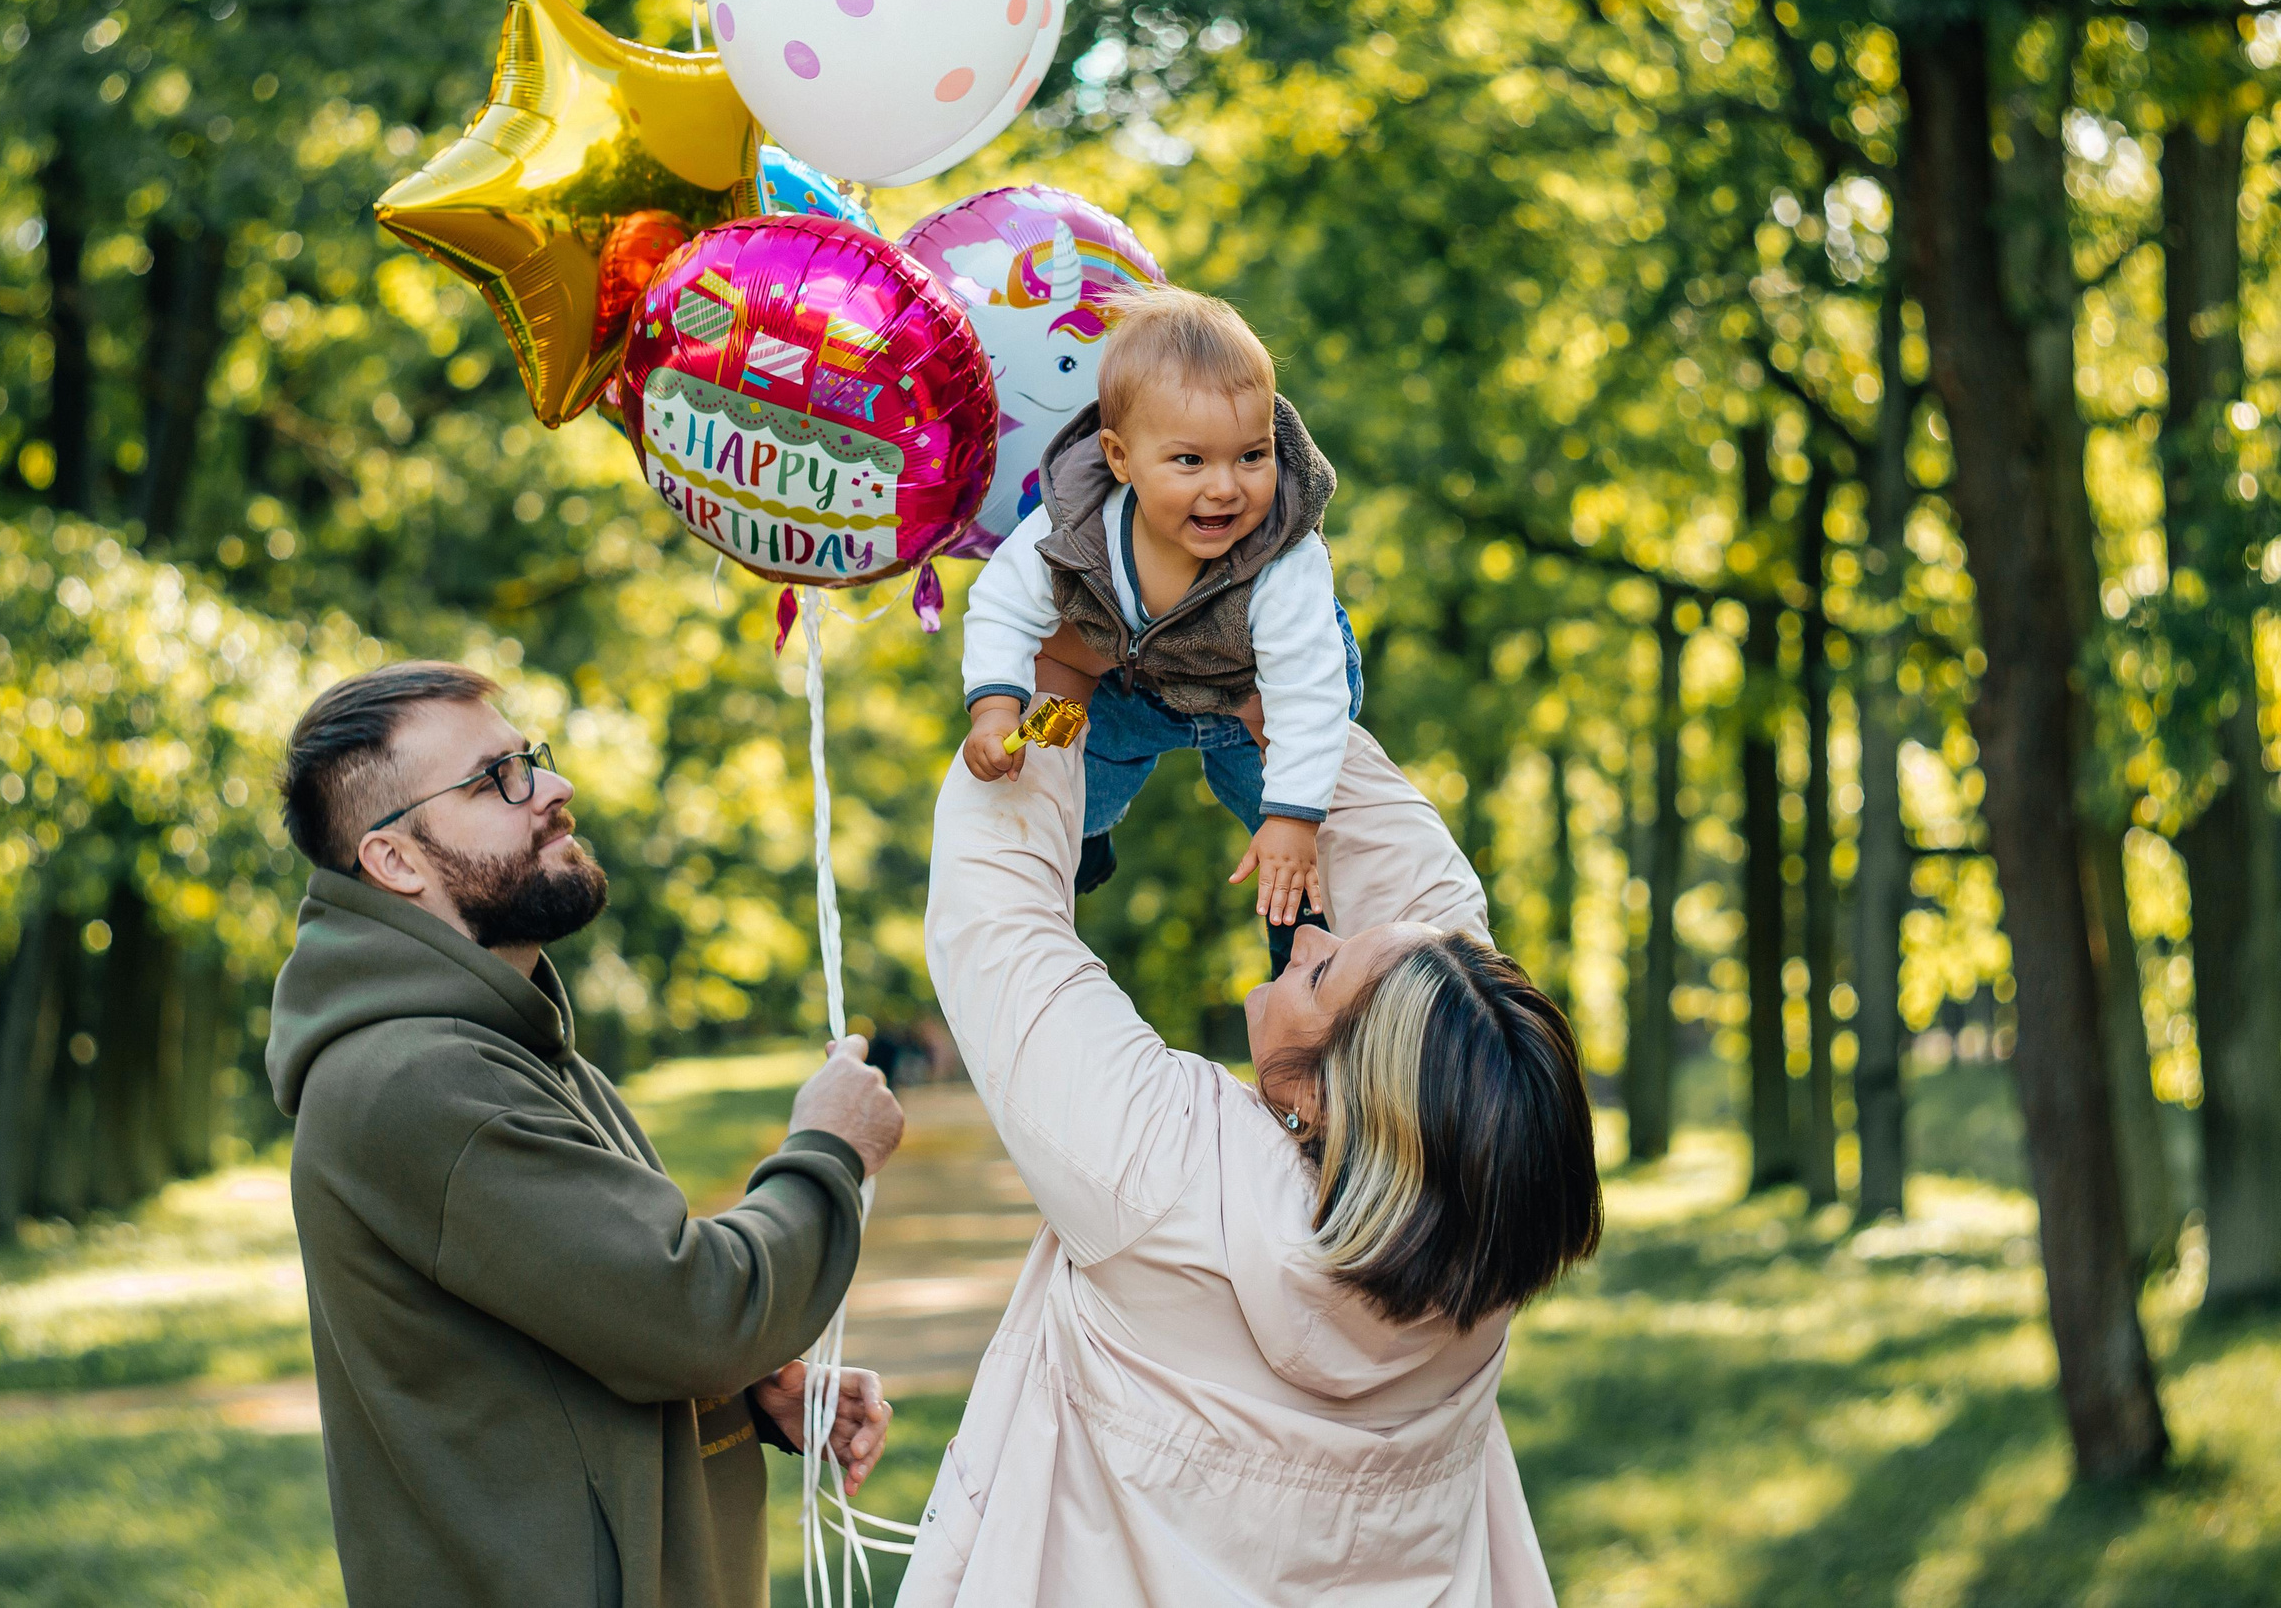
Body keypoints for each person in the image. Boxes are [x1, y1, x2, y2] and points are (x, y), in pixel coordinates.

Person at [901, 721, 1603, 1607]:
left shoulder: (1170, 1177)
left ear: (1320, 1102)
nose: (1305, 941)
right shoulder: (1487, 1214)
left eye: (1320, 974)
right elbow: (1428, 919)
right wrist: (1284, 692)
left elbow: (999, 924)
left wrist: (1050, 695)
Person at [262, 660, 906, 1608]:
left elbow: (604, 1328)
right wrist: (828, 1152)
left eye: (533, 759)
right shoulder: (422, 1081)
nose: (553, 789)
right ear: (394, 860)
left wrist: (738, 1397)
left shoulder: (512, 1052)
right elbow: (695, 1309)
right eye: (495, 779)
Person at [958, 285, 1362, 971]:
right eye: (1190, 461)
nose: (1225, 487)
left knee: (1297, 825)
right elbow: (1002, 600)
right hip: (1130, 688)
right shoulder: (1075, 526)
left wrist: (1292, 817)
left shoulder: (1283, 557)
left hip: (1253, 705)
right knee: (1075, 762)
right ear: (1121, 459)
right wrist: (994, 710)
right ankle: (1087, 836)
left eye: (1251, 455)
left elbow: (1307, 690)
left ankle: (1300, 929)